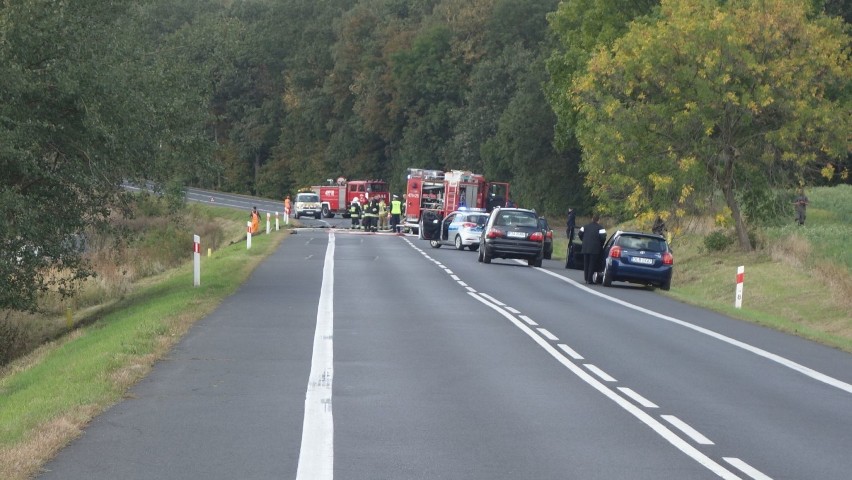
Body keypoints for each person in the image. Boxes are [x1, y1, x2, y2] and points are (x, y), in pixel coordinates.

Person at [579, 214, 606, 285]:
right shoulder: (601, 228)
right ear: (598, 220)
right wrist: (601, 244)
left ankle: (586, 278)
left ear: (592, 219)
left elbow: (579, 234)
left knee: (586, 263)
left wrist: (583, 240)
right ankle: (589, 279)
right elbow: (603, 238)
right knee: (592, 264)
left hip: (585, 247)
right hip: (595, 248)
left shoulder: (585, 227)